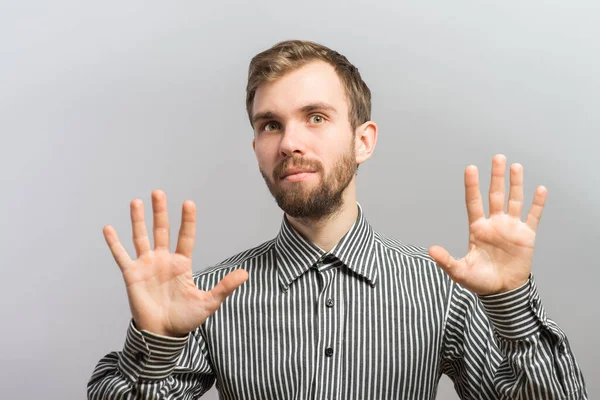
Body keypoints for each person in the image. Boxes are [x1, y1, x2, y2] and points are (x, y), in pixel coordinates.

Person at [88, 40, 587, 399]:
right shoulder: (208, 298)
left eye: (317, 117)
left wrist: (509, 304)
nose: (289, 143)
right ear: (257, 147)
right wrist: (155, 342)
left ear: (363, 140)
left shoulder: (442, 290)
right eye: (270, 125)